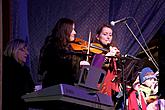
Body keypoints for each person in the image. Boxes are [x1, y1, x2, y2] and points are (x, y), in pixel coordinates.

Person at [38, 18, 87, 88]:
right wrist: (79, 63)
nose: (75, 32)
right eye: (72, 29)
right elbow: (60, 66)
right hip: (54, 87)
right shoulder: (52, 46)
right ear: (65, 30)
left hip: (66, 86)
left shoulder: (67, 47)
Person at [91, 24, 121, 101]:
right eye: (105, 34)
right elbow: (93, 70)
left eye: (110, 35)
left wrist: (118, 59)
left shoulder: (112, 51)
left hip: (109, 91)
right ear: (98, 36)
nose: (108, 37)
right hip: (97, 90)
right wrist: (107, 56)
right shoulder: (93, 51)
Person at [2, 39, 35, 110]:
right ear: (14, 50)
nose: (27, 53)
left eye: (27, 50)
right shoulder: (7, 68)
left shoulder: (24, 69)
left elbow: (30, 88)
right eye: (23, 50)